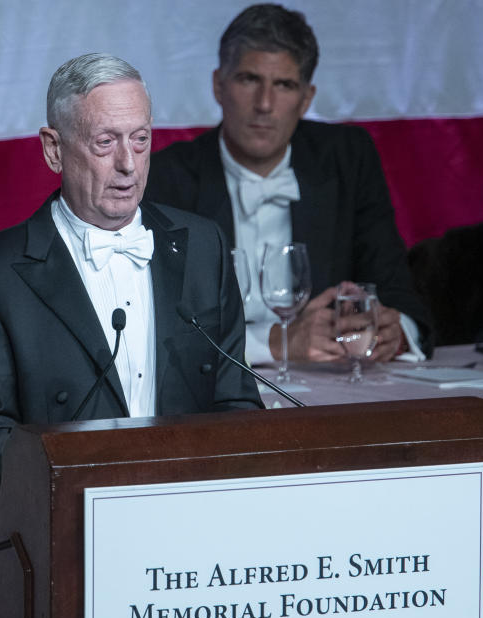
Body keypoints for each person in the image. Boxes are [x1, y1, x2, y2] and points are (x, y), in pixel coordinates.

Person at [0, 53, 263, 505]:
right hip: (61, 526)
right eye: (105, 142)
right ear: (54, 149)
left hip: (192, 513)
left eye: (141, 139)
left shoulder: (201, 245)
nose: (128, 164)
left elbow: (236, 402)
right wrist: (101, 480)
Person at [144, 4, 432, 365]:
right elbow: (152, 328)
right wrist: (276, 344)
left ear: (306, 99)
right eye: (249, 79)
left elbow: (396, 294)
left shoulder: (348, 159)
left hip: (332, 396)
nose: (265, 104)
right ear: (219, 85)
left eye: (284, 85)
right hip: (209, 395)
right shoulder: (164, 177)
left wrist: (396, 332)